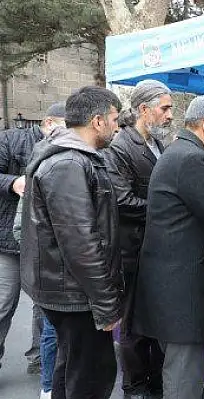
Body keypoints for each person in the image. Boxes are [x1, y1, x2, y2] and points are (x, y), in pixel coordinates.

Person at [19, 86, 123, 399]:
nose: (118, 126)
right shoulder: (69, 164)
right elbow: (80, 243)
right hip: (75, 295)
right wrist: (106, 305)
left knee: (73, 372)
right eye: (115, 119)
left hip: (72, 291)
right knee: (90, 378)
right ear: (98, 121)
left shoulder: (76, 160)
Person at [131, 96, 204, 399]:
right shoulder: (192, 158)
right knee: (183, 374)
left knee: (177, 366)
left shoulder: (178, 151)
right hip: (181, 288)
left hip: (168, 281)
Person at [103, 79, 173, 399]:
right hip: (133, 250)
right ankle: (134, 386)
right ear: (144, 110)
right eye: (165, 108)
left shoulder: (160, 144)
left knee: (156, 319)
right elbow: (122, 201)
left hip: (155, 249)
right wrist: (170, 210)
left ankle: (155, 383)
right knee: (133, 324)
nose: (171, 115)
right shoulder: (120, 147)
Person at [0, 103, 64, 376]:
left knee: (45, 308)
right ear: (48, 122)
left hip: (44, 245)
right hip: (8, 243)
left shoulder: (66, 149)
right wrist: (13, 182)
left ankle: (39, 359)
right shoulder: (11, 139)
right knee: (3, 304)